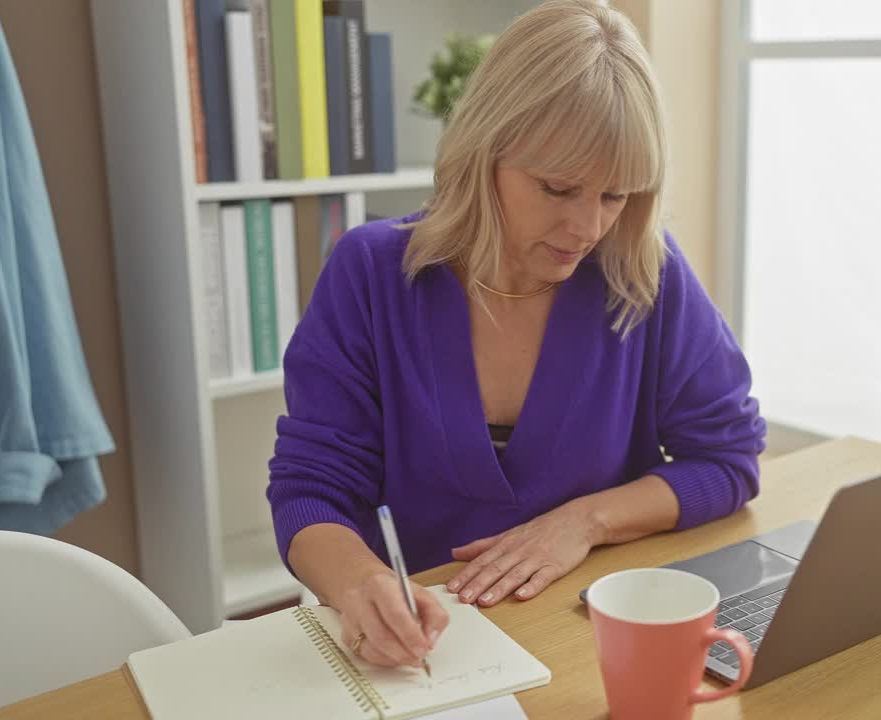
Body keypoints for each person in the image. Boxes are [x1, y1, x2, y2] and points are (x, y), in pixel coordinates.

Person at [267, 0, 766, 670]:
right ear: (485, 153)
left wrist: (582, 523)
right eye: (558, 189)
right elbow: (311, 489)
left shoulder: (645, 272)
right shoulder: (372, 273)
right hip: (428, 655)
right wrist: (362, 585)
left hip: (595, 646)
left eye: (616, 195)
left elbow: (728, 460)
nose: (588, 228)